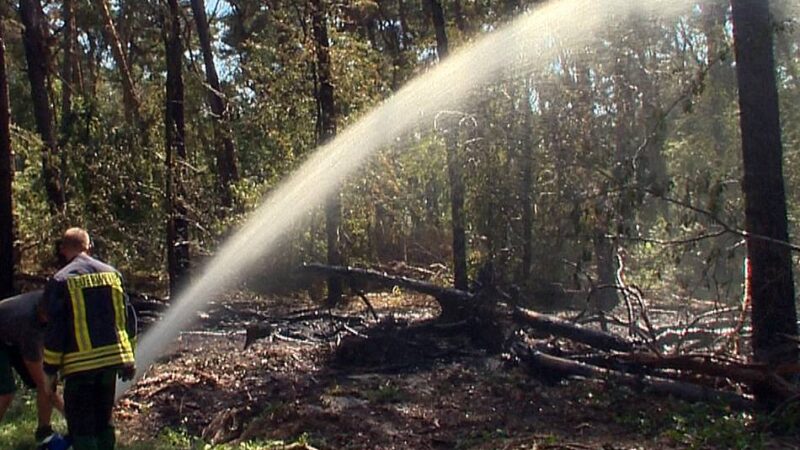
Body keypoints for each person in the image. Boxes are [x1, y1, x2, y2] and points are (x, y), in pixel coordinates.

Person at [42, 227, 137, 450]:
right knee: (104, 422)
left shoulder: (60, 280)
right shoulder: (112, 274)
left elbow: (55, 330)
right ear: (89, 247)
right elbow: (128, 319)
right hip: (112, 363)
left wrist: (49, 371)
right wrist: (128, 357)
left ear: (64, 250)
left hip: (79, 368)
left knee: (82, 427)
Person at [0, 290, 65, 445]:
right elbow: (44, 382)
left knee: (48, 380)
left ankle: (44, 432)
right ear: (44, 315)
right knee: (5, 392)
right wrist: (70, 415)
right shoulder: (29, 325)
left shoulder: (55, 302)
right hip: (5, 337)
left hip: (10, 335)